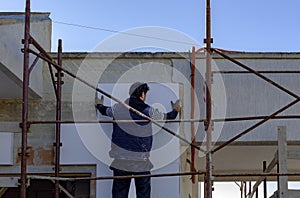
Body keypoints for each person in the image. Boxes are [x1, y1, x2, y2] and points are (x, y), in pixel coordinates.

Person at [96, 82, 181, 198]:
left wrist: (98, 105)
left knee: (119, 193)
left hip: (120, 160)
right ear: (142, 94)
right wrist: (176, 110)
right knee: (143, 193)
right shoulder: (147, 111)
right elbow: (167, 117)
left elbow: (105, 110)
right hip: (140, 160)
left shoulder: (117, 108)